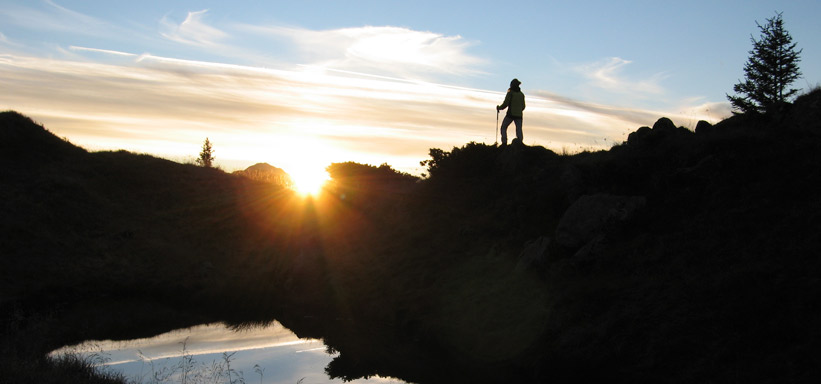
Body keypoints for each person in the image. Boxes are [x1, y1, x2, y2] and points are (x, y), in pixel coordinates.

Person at [496, 78, 526, 146]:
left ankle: (504, 142)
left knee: (503, 127)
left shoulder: (510, 93)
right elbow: (523, 106)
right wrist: (519, 110)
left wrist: (499, 108)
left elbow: (506, 103)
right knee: (519, 129)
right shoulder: (521, 94)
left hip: (510, 114)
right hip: (519, 115)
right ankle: (520, 142)